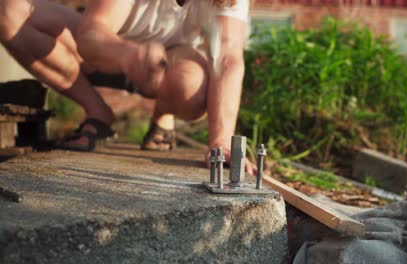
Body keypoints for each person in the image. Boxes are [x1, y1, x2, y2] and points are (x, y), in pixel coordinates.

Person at [0, 0, 256, 174]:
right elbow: (91, 34)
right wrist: (126, 55)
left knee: (192, 86)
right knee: (9, 12)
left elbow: (227, 57)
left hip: (169, 65)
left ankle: (162, 116)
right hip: (106, 51)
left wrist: (221, 141)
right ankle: (97, 112)